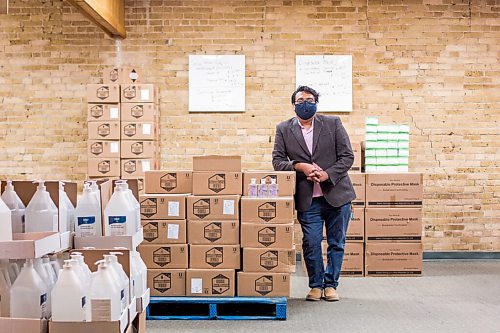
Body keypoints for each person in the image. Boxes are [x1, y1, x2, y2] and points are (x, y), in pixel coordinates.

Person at [272, 85, 356, 302]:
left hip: (337, 195)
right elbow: (277, 162)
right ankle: (316, 285)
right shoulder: (283, 129)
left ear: (316, 103)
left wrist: (328, 175)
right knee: (311, 242)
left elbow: (347, 157)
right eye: (300, 101)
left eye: (309, 100)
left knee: (337, 242)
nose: (305, 104)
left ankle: (331, 285)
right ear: (293, 105)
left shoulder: (332, 123)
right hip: (308, 198)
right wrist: (301, 166)